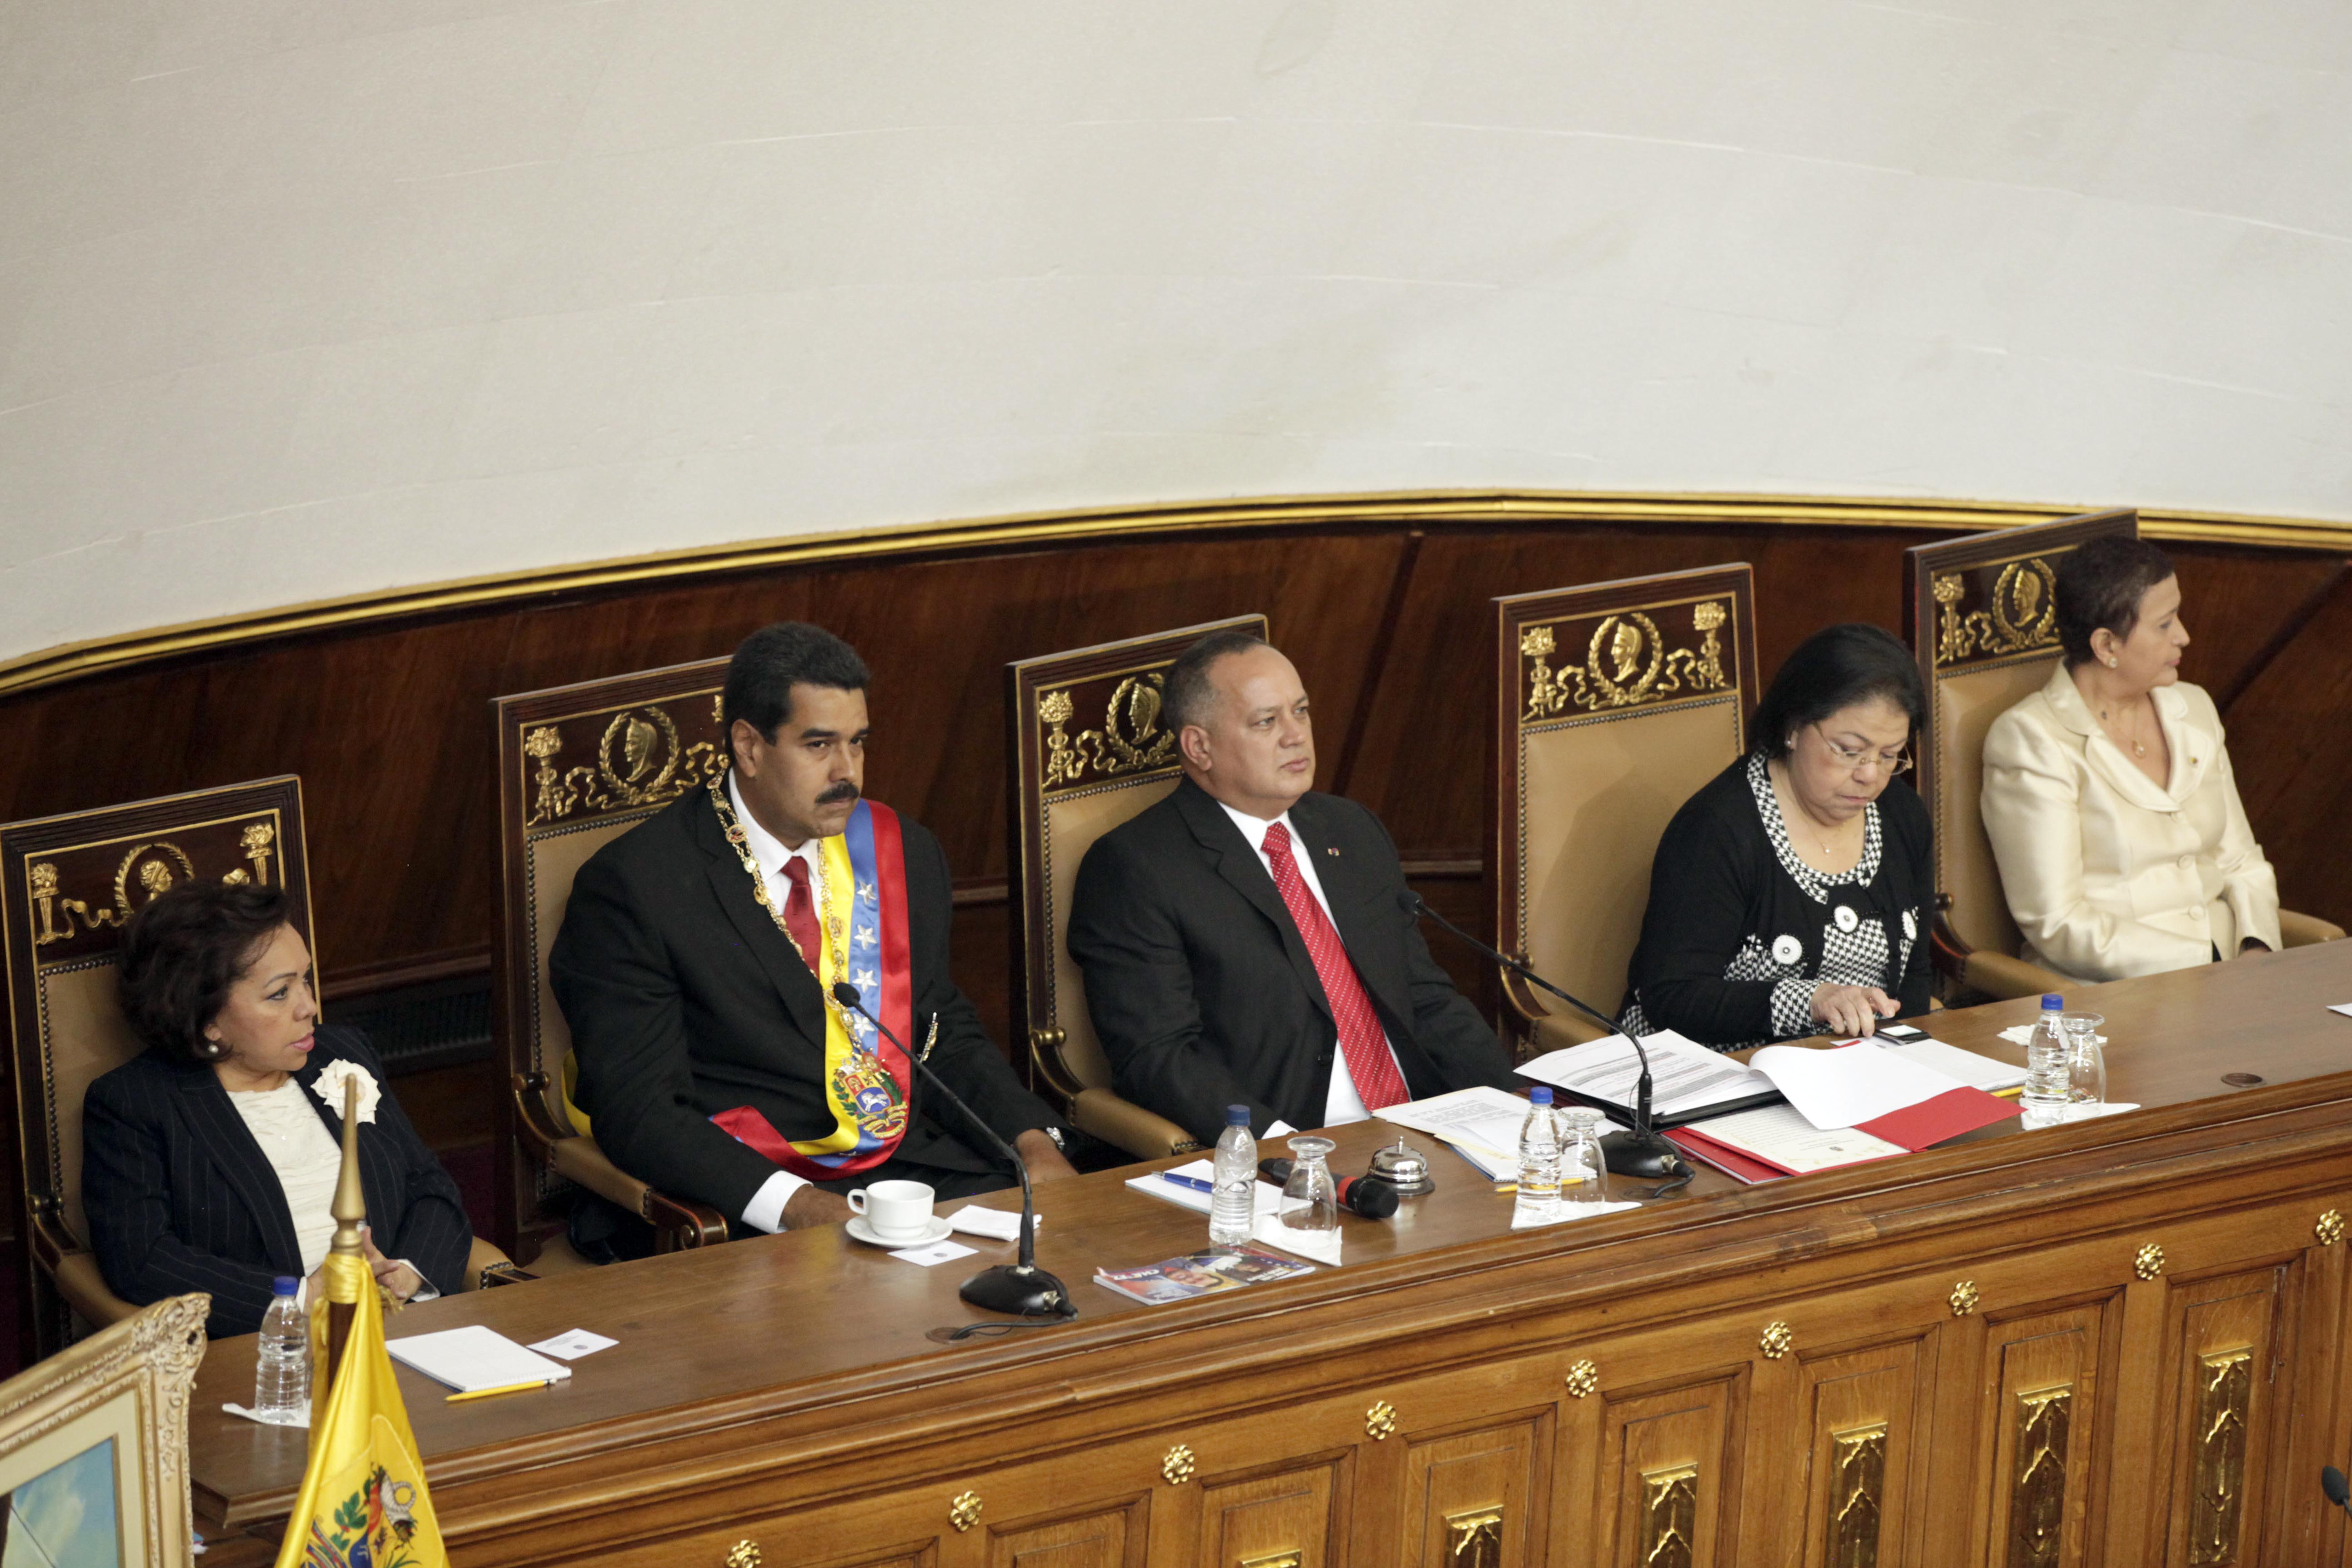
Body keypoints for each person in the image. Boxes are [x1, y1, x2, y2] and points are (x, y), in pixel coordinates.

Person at [550, 622, 1073, 1239]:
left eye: (858, 743)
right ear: (749, 746)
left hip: (913, 1173)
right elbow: (644, 1111)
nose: (847, 772)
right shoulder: (637, 887)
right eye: (819, 746)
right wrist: (799, 1209)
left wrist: (1035, 1143)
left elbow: (940, 1030)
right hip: (745, 1201)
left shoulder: (902, 849)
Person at [1067, 630, 1517, 1145]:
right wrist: (1281, 1149)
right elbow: (1160, 1057)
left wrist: (1511, 1107)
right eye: (1266, 721)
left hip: (1422, 1126)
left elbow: (1424, 996)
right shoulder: (1136, 868)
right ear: (1199, 746)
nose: (1295, 735)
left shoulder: (1350, 830)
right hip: (1290, 1145)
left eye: (1300, 711)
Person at [82, 883, 471, 1339]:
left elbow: (426, 1182)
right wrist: (302, 1298)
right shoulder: (136, 1103)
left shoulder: (340, 1053)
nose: (309, 1006)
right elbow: (142, 1260)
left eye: (304, 979)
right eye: (279, 993)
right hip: (266, 1354)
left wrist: (405, 1272)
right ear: (207, 1018)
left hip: (402, 1328)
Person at [1620, 623, 1934, 1051]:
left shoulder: (1901, 815)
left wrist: (1901, 1055)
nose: (1870, 775)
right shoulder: (1717, 829)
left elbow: (1914, 977)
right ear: (1794, 726)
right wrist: (1808, 1000)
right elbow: (1673, 996)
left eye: (1890, 754)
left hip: (1855, 1071)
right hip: (1715, 1071)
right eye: (1849, 750)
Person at [1980, 537, 2280, 981]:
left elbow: (2240, 862)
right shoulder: (2030, 739)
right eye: (2164, 624)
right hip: (2115, 998)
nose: (2184, 635)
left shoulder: (2192, 706)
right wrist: (2209, 964)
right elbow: (2058, 921)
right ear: (2107, 646)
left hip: (2235, 980)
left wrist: (2255, 951)